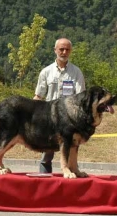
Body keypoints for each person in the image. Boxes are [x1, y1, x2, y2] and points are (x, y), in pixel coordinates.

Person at [34, 38, 85, 173]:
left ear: (71, 51)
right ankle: (44, 185)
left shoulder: (77, 72)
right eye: (61, 49)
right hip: (49, 119)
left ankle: (70, 187)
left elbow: (81, 98)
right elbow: (38, 97)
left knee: (71, 155)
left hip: (70, 122)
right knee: (46, 156)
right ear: (55, 50)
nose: (64, 52)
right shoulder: (46, 72)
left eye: (67, 49)